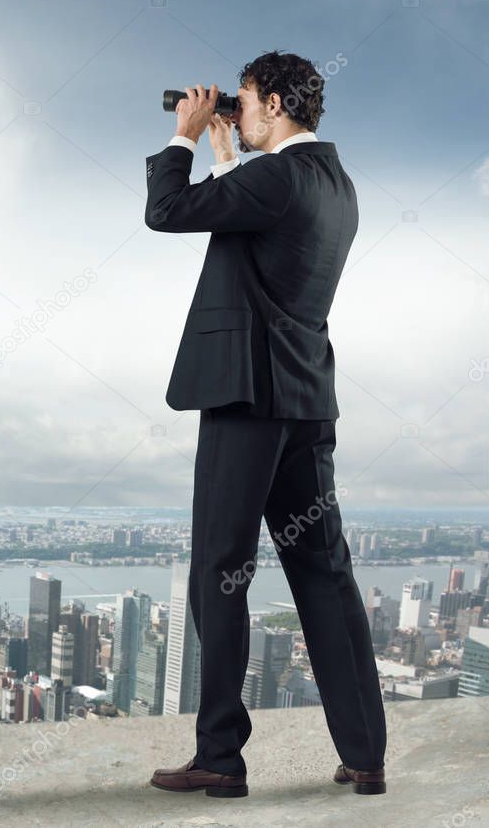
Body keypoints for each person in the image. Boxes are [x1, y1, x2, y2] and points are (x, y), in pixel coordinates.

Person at [144, 51, 387, 798]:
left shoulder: (275, 177)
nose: (234, 113)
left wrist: (185, 136)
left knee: (221, 570)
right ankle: (366, 754)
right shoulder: (334, 184)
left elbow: (167, 212)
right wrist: (229, 156)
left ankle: (220, 755)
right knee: (323, 571)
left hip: (247, 400)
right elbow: (258, 242)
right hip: (306, 403)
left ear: (275, 104)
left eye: (242, 101)